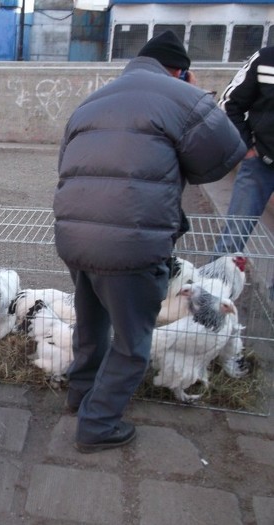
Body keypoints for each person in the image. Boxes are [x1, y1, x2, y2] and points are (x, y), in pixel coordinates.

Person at [52, 30, 246, 453]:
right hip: (130, 245)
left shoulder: (95, 99)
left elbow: (68, 163)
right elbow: (224, 156)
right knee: (133, 342)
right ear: (180, 70)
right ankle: (97, 424)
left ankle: (81, 395)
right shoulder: (182, 96)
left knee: (92, 324)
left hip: (74, 236)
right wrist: (194, 96)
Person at [214, 46, 274, 264]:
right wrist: (246, 148)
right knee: (233, 238)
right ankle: (213, 295)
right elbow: (229, 104)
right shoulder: (266, 58)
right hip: (259, 163)